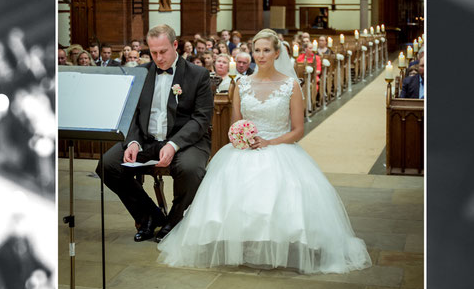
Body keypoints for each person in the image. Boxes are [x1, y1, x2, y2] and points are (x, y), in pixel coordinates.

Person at [157, 28, 371, 273]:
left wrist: (270, 142)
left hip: (280, 147)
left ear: (277, 52)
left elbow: (298, 130)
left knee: (281, 195)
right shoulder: (242, 84)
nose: (261, 55)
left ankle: (279, 245)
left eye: (266, 50)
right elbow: (235, 125)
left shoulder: (291, 85)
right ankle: (242, 243)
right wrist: (241, 138)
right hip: (244, 149)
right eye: (256, 50)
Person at [96, 25, 213, 242]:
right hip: (146, 139)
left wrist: (173, 144)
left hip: (185, 140)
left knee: (190, 169)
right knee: (108, 165)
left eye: (163, 51)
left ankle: (175, 221)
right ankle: (149, 215)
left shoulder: (198, 75)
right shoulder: (142, 73)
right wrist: (132, 141)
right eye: (153, 52)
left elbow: (201, 119)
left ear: (175, 45)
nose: (158, 58)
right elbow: (132, 113)